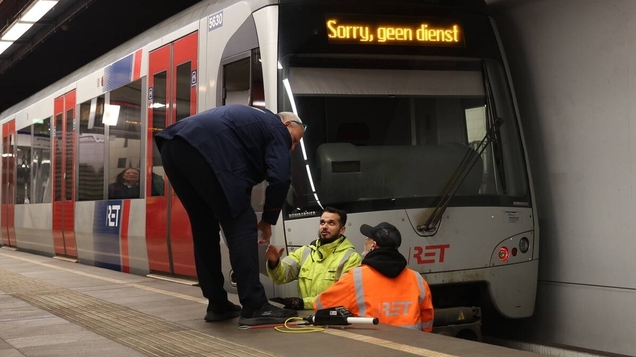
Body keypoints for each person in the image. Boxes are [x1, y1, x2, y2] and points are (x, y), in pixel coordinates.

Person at [154, 105, 305, 327]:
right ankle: (254, 306)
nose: (290, 147)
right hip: (205, 150)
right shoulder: (276, 126)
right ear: (287, 124)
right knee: (242, 226)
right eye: (294, 140)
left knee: (204, 228)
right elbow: (281, 178)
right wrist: (268, 219)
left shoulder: (255, 122)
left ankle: (217, 304)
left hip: (172, 146)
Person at [314, 221, 434, 332]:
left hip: (370, 349)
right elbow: (427, 321)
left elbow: (320, 304)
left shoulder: (355, 278)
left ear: (373, 245)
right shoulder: (417, 279)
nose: (365, 241)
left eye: (367, 238)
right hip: (412, 348)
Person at [265, 206, 362, 310]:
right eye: (322, 222)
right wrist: (274, 262)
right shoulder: (305, 252)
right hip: (305, 319)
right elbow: (280, 277)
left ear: (342, 230)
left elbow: (343, 295)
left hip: (333, 319)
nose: (325, 226)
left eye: (331, 223)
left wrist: (303, 303)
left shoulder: (351, 258)